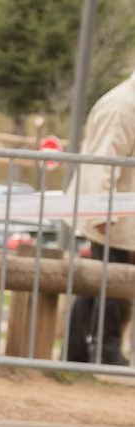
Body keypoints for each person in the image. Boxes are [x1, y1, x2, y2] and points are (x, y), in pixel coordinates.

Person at [67, 70, 135, 367]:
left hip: (121, 211)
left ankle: (81, 351)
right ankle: (102, 349)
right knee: (110, 284)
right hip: (114, 214)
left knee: (100, 284)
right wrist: (102, 213)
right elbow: (104, 162)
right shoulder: (122, 106)